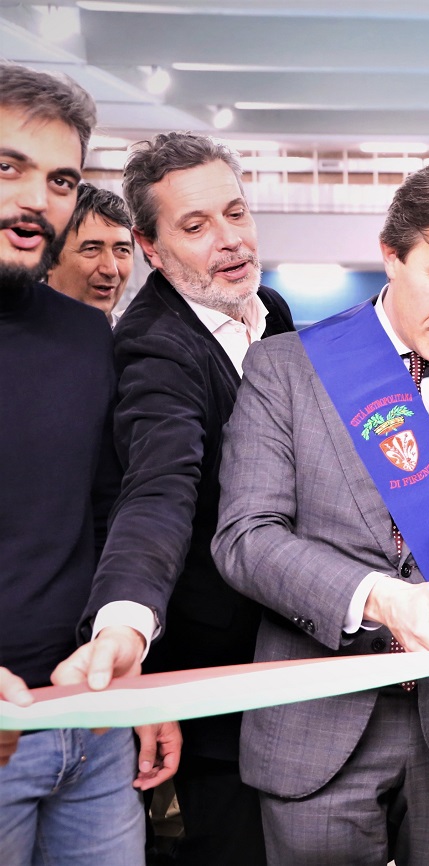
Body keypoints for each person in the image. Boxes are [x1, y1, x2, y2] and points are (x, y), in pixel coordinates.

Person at [212, 156, 429, 866]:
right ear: (391, 255)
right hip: (315, 728)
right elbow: (246, 539)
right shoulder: (283, 369)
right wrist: (376, 598)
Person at [54, 132, 295, 866]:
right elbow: (158, 489)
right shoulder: (155, 349)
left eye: (236, 214)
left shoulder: (272, 312)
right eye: (195, 227)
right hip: (212, 668)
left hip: (295, 652)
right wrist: (127, 627)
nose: (229, 241)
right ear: (150, 248)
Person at [0, 61, 178, 865]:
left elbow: (114, 513)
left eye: (61, 178)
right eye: (8, 167)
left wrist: (136, 661)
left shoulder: (82, 341)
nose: (36, 200)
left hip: (89, 724)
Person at [44, 182, 134, 324]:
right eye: (92, 249)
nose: (111, 270)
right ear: (47, 259)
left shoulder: (139, 340)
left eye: (122, 250)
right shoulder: (13, 341)